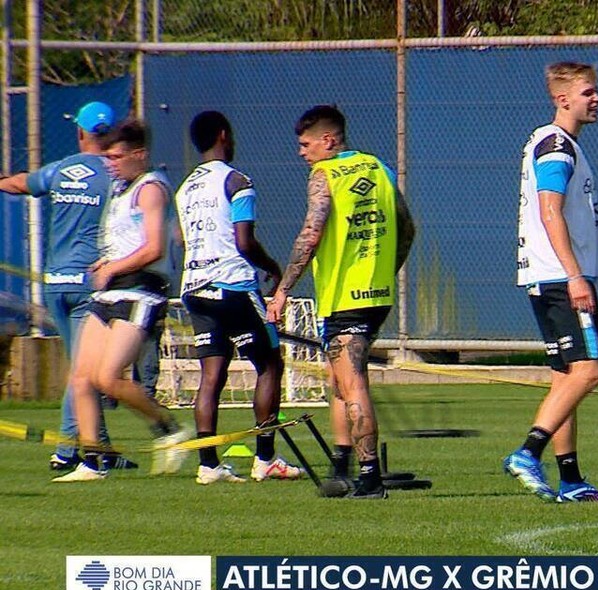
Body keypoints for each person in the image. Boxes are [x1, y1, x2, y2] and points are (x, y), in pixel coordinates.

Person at [503, 62, 598, 503]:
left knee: (566, 378)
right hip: (559, 278)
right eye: (588, 92)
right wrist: (574, 277)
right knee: (590, 371)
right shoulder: (556, 145)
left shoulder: (561, 145)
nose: (597, 98)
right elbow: (550, 211)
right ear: (562, 99)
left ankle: (570, 480)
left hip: (550, 275)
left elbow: (577, 224)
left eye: (596, 91)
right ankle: (528, 453)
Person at [265, 105, 415, 500]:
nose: (301, 152)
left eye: (306, 144)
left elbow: (310, 234)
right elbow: (407, 228)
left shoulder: (325, 174)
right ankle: (342, 463)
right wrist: (386, 269)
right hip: (377, 293)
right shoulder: (378, 168)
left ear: (328, 141)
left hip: (345, 296)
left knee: (352, 382)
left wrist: (282, 290)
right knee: (340, 380)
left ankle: (369, 477)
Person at [52, 118, 193, 483]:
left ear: (139, 155)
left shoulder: (151, 189)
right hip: (110, 290)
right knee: (81, 377)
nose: (110, 164)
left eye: (116, 157)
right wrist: (106, 262)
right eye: (108, 157)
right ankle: (92, 461)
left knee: (109, 377)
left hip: (140, 291)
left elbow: (153, 248)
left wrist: (114, 266)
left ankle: (170, 428)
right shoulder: (119, 190)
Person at [172, 110, 304, 485]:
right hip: (232, 285)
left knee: (211, 375)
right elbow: (243, 242)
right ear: (223, 135)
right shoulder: (237, 181)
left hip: (194, 288)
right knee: (270, 365)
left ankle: (208, 465)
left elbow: (182, 238)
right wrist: (274, 268)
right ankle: (266, 459)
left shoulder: (185, 189)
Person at [0, 102, 128, 472]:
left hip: (55, 281)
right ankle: (68, 450)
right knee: (85, 371)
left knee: (84, 368)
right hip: (91, 282)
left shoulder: (60, 169)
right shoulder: (115, 174)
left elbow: (20, 184)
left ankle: (101, 448)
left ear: (80, 132)